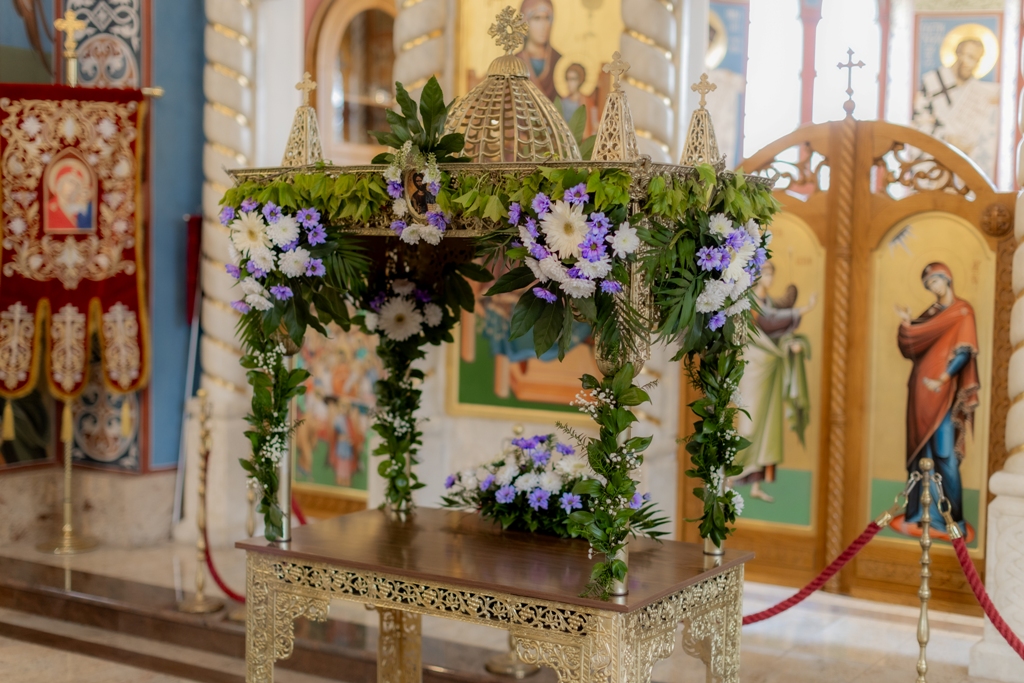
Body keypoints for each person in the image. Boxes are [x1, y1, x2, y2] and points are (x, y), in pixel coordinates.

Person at [896, 262, 979, 534]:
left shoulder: (962, 311)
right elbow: (911, 346)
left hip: (943, 392)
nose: (933, 287)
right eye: (929, 284)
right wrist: (907, 323)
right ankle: (919, 513)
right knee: (921, 451)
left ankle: (952, 519)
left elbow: (964, 352)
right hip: (920, 391)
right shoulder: (931, 314)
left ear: (947, 279)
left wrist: (943, 379)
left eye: (935, 281)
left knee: (944, 454)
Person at [733, 261, 816, 502]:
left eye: (772, 274)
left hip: (770, 367)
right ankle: (734, 474)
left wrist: (790, 344)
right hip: (754, 367)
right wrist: (803, 310)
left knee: (768, 424)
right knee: (750, 421)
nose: (770, 279)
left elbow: (776, 333)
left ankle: (756, 485)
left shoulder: (767, 301)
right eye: (767, 274)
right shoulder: (750, 301)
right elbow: (768, 321)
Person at [912, 36, 1000, 179]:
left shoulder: (979, 92)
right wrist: (947, 138)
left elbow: (985, 135)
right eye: (969, 57)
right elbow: (918, 124)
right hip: (933, 162)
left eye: (976, 60)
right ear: (958, 54)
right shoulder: (933, 81)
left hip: (963, 166)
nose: (971, 64)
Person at [515, 0, 561, 102]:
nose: (543, 25)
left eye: (547, 18)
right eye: (537, 18)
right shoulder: (514, 62)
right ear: (525, 22)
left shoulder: (559, 60)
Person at [45, 157, 94, 231]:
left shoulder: (80, 209)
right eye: (70, 182)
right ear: (59, 183)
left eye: (77, 185)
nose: (73, 188)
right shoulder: (48, 210)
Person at [559, 63, 598, 137]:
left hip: (582, 140)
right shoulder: (562, 102)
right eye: (567, 79)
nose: (569, 83)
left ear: (580, 80)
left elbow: (594, 124)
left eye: (573, 79)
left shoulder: (588, 102)